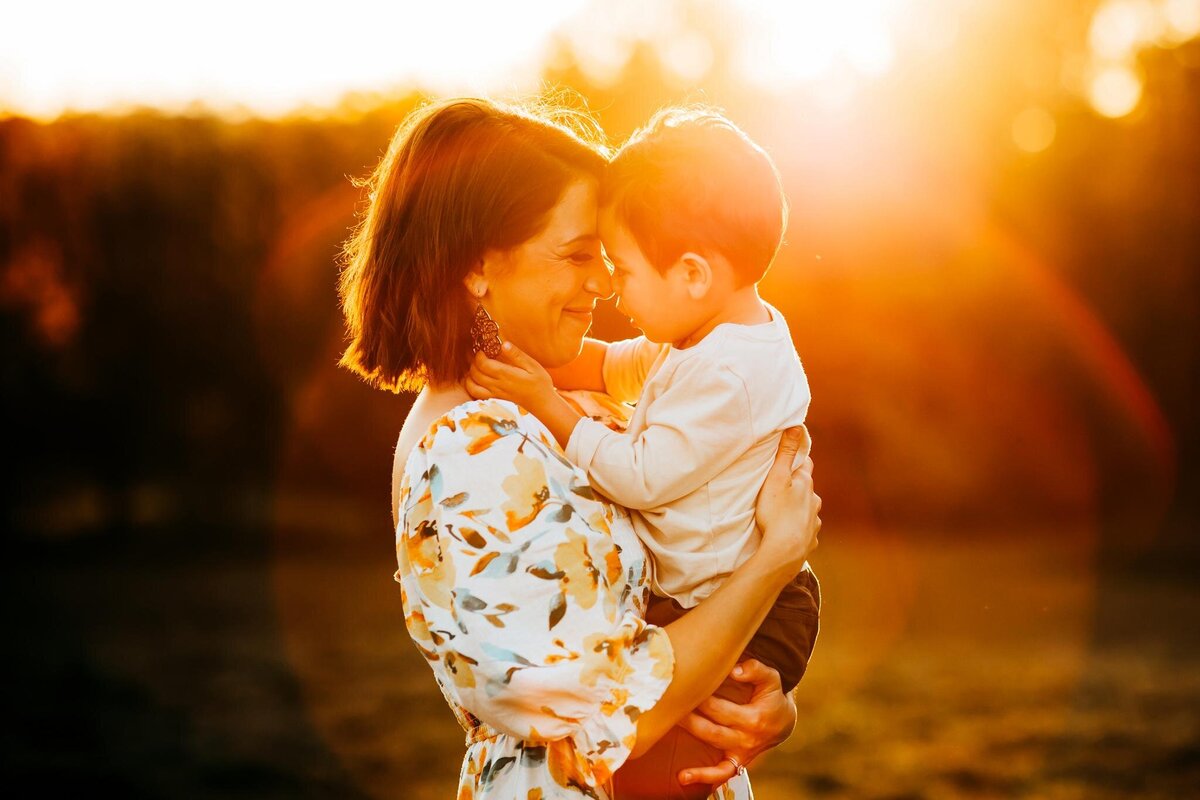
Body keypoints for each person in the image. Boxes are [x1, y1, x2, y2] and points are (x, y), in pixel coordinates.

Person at [337, 97, 822, 799]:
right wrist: (774, 564)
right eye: (576, 255)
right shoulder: (467, 453)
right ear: (478, 269)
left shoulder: (557, 409)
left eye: (606, 257)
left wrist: (764, 700)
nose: (603, 282)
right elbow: (616, 709)